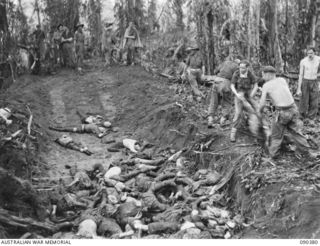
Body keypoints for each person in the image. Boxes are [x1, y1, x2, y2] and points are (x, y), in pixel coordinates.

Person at [258, 66, 314, 159]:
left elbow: (262, 103)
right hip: (293, 109)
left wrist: (259, 112)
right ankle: (307, 153)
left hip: (282, 112)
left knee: (276, 135)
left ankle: (273, 155)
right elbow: (281, 93)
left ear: (268, 74)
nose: (263, 77)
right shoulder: (282, 80)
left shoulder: (266, 85)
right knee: (297, 132)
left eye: (263, 75)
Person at [207, 57, 240, 128]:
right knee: (227, 102)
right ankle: (223, 120)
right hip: (226, 83)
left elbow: (216, 71)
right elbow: (236, 78)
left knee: (213, 102)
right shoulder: (237, 67)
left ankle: (210, 119)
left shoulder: (225, 63)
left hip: (216, 81)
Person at [230, 60, 258, 142]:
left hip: (248, 95)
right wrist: (236, 94)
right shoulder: (236, 74)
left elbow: (256, 85)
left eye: (243, 67)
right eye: (240, 67)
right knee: (238, 113)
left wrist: (252, 95)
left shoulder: (250, 74)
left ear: (247, 67)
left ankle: (255, 133)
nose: (241, 69)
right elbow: (232, 85)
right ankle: (233, 134)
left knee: (254, 111)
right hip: (239, 96)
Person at [297, 46, 320, 120]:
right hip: (305, 81)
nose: (310, 55)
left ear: (315, 53)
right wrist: (298, 89)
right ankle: (301, 117)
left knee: (314, 101)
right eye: (308, 53)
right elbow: (300, 75)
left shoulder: (318, 59)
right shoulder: (303, 61)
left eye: (311, 53)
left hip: (314, 81)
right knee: (304, 100)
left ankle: (311, 118)